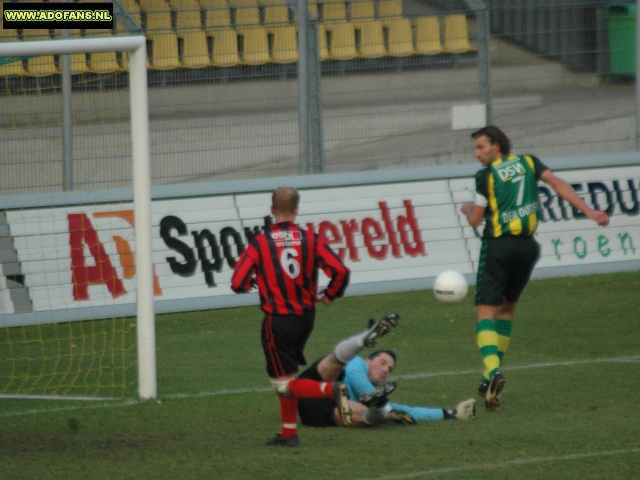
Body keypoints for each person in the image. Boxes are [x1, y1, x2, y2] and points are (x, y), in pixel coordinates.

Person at [460, 126, 610, 412]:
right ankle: (486, 379)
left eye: (481, 147)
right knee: (506, 310)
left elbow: (475, 220)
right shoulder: (529, 162)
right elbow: (557, 183)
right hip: (528, 248)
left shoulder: (485, 176)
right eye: (476, 149)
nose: (477, 154)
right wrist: (590, 211)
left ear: (497, 146)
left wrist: (467, 207)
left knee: (485, 312)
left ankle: (492, 372)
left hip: (498, 248)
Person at [231, 186, 353, 447]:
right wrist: (330, 294)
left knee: (284, 384)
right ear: (297, 209)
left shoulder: (261, 242)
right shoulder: (312, 239)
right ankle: (289, 433)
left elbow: (237, 282)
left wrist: (252, 282)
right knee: (288, 374)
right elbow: (341, 270)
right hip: (306, 318)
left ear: (272, 210)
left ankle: (329, 389)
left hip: (277, 321)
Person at [297, 316, 477, 428]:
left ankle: (376, 413)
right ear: (369, 360)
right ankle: (362, 340)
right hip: (312, 386)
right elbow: (354, 375)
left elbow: (406, 410)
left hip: (316, 414)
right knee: (338, 363)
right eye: (382, 363)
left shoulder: (372, 396)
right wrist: (385, 407)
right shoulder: (358, 364)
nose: (385, 370)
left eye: (389, 369)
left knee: (366, 416)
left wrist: (451, 413)